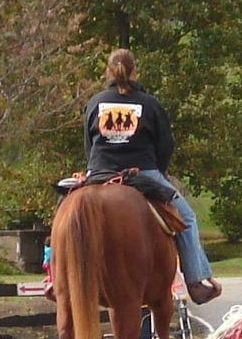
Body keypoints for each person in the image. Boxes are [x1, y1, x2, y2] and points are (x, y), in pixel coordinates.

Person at [82, 48, 220, 304]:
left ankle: (56, 279)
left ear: (108, 71)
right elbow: (165, 144)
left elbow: (89, 144)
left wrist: (96, 167)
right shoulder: (149, 103)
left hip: (99, 172)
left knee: (64, 212)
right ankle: (196, 280)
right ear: (135, 70)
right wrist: (161, 169)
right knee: (186, 217)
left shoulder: (95, 102)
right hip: (142, 173)